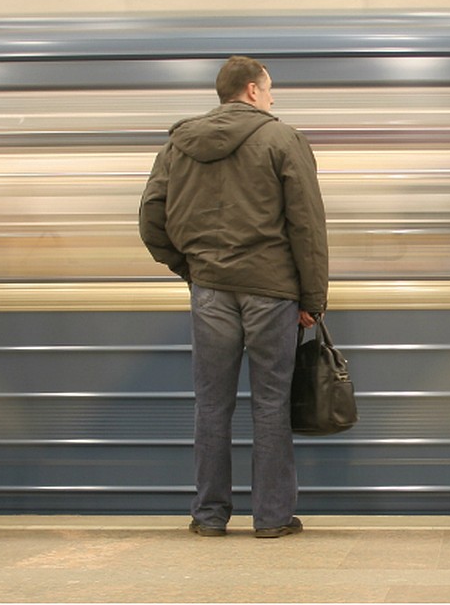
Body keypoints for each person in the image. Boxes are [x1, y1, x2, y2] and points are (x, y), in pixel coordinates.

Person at [139, 56, 329, 538]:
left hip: (211, 291)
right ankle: (271, 518)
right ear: (250, 90)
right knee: (270, 403)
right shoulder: (283, 139)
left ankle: (208, 517)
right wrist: (313, 298)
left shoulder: (179, 144)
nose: (272, 99)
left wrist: (192, 268)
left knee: (211, 405)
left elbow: (151, 217)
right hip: (272, 291)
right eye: (269, 90)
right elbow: (307, 225)